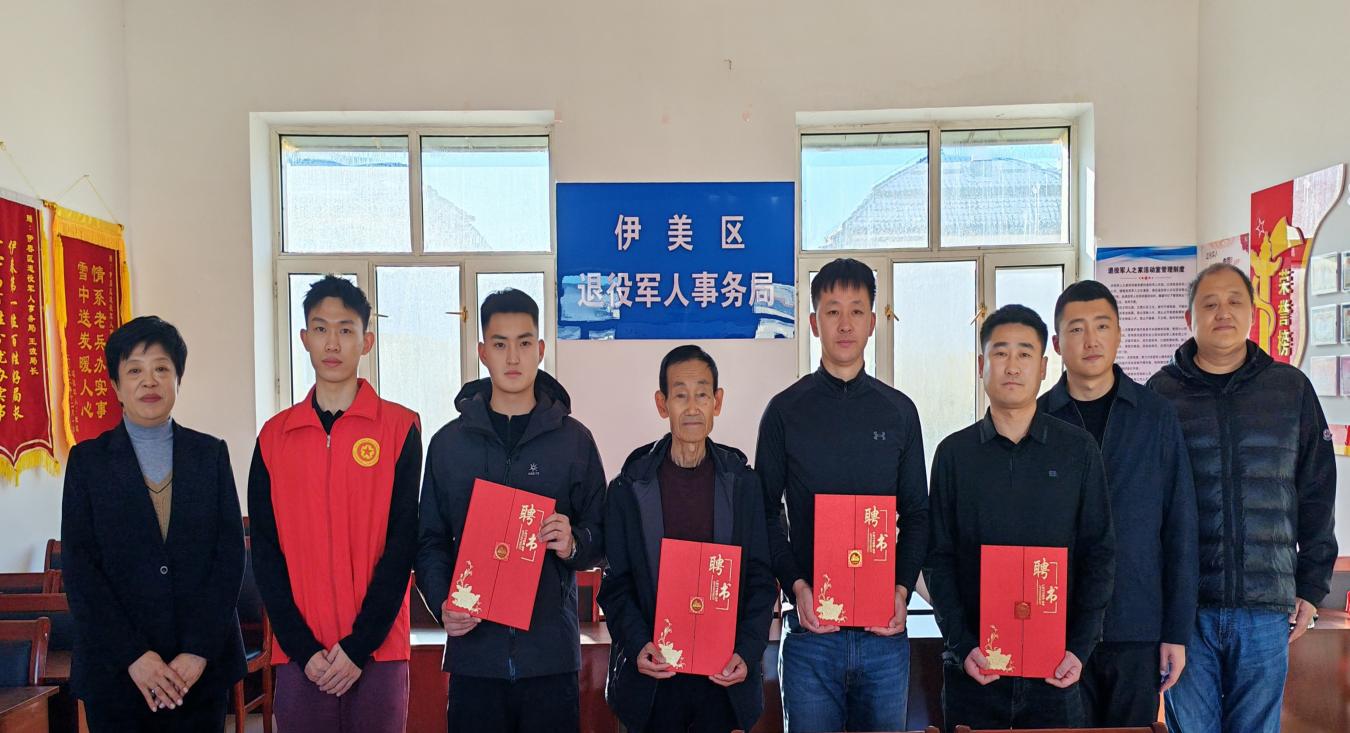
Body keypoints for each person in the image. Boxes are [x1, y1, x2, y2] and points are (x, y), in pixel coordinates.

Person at [1148, 263, 1337, 733]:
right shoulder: (1160, 395)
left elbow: (1317, 491)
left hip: (1265, 607)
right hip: (1186, 611)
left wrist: (1312, 586)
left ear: (1253, 313)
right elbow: (1145, 505)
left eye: (1234, 301)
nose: (1223, 313)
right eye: (1209, 303)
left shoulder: (1290, 388)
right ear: (1189, 316)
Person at [416, 288, 606, 733]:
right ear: (483, 352)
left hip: (549, 657)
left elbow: (603, 535)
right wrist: (443, 601)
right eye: (500, 344)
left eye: (524, 343)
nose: (513, 357)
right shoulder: (449, 444)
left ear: (540, 349)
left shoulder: (574, 441)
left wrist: (574, 543)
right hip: (475, 656)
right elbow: (429, 541)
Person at [756, 258, 929, 732]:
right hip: (811, 633)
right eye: (833, 311)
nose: (845, 324)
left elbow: (917, 514)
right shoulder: (785, 411)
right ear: (815, 323)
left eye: (856, 310)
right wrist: (796, 586)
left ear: (873, 321)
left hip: (883, 633)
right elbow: (764, 512)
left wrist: (901, 589)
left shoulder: (899, 412)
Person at [925, 304, 1115, 730]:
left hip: (1056, 670)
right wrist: (962, 645)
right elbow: (938, 558)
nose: (1012, 366)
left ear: (1044, 367)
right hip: (974, 670)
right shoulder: (954, 455)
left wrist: (1079, 648)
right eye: (1000, 353)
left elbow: (1099, 553)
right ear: (981, 364)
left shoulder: (1078, 450)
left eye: (1025, 354)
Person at [248, 275, 422, 733]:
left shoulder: (399, 429)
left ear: (366, 341)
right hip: (301, 656)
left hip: (378, 651)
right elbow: (265, 552)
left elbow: (402, 546)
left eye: (345, 330)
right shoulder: (274, 437)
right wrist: (303, 649)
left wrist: (359, 646)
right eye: (320, 328)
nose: (332, 343)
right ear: (304, 338)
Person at [62, 316, 246, 731]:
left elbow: (229, 559)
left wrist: (197, 651)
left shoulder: (210, 455)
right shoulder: (87, 463)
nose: (150, 381)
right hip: (117, 671)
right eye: (135, 371)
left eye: (162, 368)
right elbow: (81, 570)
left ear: (178, 379)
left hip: (197, 672)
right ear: (115, 386)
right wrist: (134, 656)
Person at [1038, 280, 1198, 726]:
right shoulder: (1038, 419)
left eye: (1102, 326)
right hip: (1057, 627)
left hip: (1137, 624)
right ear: (1058, 343)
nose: (1090, 340)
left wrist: (1176, 631)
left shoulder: (1155, 415)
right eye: (1076, 329)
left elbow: (1179, 526)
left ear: (1119, 334)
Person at [599, 345, 776, 733]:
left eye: (702, 394)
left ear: (718, 402)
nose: (692, 407)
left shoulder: (743, 485)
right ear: (662, 404)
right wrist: (638, 644)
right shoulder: (629, 488)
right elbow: (616, 584)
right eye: (680, 395)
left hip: (722, 680)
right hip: (654, 681)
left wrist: (747, 651)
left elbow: (762, 579)